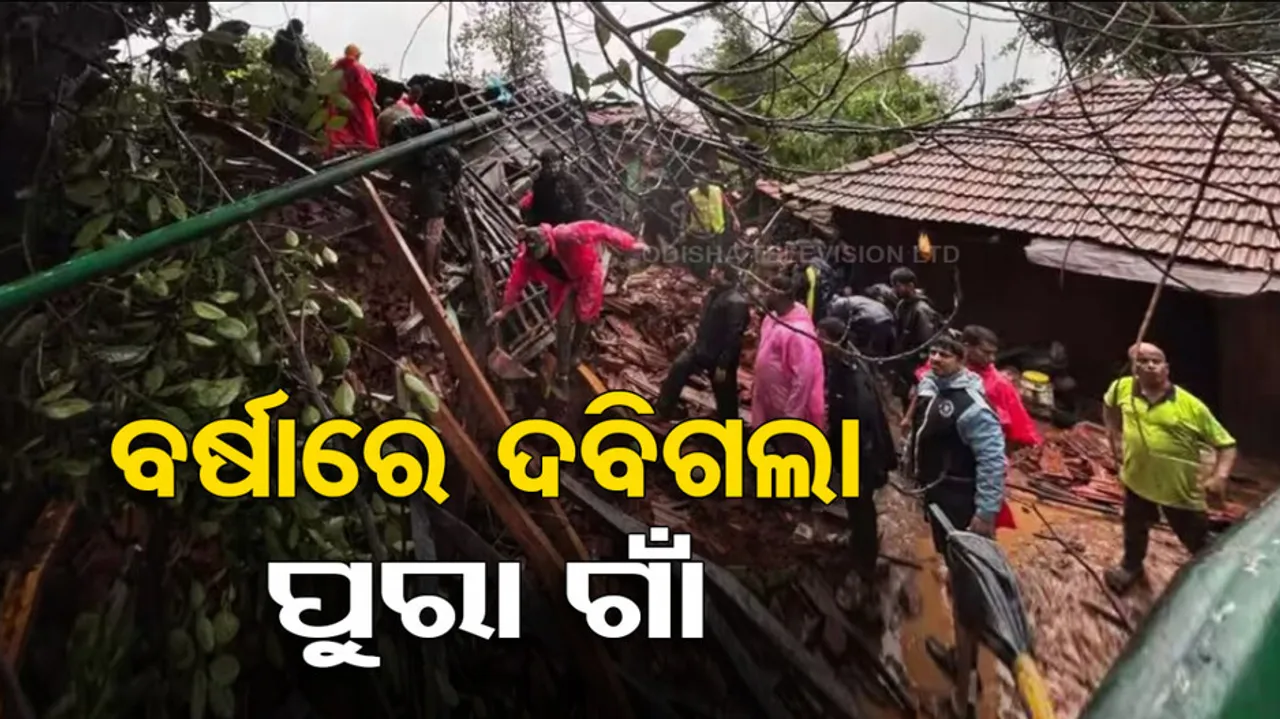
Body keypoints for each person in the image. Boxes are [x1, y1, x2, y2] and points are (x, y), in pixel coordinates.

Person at [907, 334, 1007, 719]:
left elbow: (993, 460)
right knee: (954, 578)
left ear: (962, 361)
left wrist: (984, 514)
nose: (936, 358)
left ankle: (964, 692)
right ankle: (963, 654)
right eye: (932, 351)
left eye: (945, 354)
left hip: (962, 509)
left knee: (966, 593)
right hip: (940, 501)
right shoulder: (938, 389)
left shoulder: (972, 407)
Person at [1101, 342, 1237, 594]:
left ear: (1167, 368)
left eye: (1156, 361)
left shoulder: (1191, 406)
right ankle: (1131, 567)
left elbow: (1227, 445)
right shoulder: (1122, 389)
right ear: (1133, 368)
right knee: (1134, 528)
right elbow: (1109, 405)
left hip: (1179, 492)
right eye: (1142, 361)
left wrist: (1220, 476)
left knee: (1198, 541)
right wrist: (1112, 433)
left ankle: (1221, 579)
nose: (1150, 365)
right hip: (1137, 481)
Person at [490, 222, 647, 386]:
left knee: (585, 316)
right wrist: (505, 309)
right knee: (563, 324)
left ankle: (576, 351)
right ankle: (563, 371)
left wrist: (630, 244)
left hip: (586, 275)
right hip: (562, 284)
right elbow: (516, 282)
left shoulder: (567, 235)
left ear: (548, 242)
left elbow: (600, 230)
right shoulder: (528, 259)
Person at [817, 316, 898, 613]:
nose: (817, 341)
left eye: (821, 336)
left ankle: (863, 571)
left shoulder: (849, 374)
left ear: (832, 339)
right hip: (857, 446)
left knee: (861, 504)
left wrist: (857, 459)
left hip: (860, 451)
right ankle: (857, 542)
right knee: (856, 504)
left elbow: (862, 417)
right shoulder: (849, 360)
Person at [656, 264, 750, 421]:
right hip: (700, 348)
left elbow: (734, 337)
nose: (711, 272)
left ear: (722, 273)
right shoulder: (713, 294)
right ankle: (662, 411)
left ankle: (731, 431)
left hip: (719, 357)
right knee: (677, 370)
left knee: (725, 397)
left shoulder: (736, 302)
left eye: (715, 270)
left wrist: (723, 364)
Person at [385, 115, 464, 281]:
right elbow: (456, 178)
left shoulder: (428, 151)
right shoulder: (452, 155)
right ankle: (431, 273)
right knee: (434, 238)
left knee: (434, 235)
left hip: (422, 198)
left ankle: (437, 266)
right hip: (436, 202)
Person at [751, 275, 825, 430]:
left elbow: (804, 377)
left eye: (767, 291)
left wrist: (792, 414)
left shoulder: (799, 333)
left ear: (778, 294)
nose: (762, 295)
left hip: (784, 404)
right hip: (767, 398)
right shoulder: (771, 318)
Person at [889, 266, 940, 403]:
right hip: (904, 367)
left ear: (910, 286)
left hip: (916, 370)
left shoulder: (921, 310)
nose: (894, 290)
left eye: (898, 286)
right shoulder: (902, 306)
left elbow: (927, 345)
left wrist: (917, 379)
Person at [263, 19, 312, 155]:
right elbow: (304, 69)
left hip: (278, 85)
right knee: (291, 119)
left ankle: (276, 147)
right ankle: (288, 150)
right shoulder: (298, 47)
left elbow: (266, 56)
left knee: (277, 116)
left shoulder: (278, 42)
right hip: (292, 87)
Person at [325, 44, 379, 155]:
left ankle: (338, 149)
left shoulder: (336, 67)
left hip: (341, 103)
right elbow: (364, 86)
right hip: (358, 105)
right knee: (363, 129)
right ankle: (366, 151)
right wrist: (374, 103)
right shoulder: (357, 68)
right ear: (357, 54)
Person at [683, 177, 741, 278]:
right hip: (700, 231)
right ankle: (701, 275)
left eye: (702, 185)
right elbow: (685, 211)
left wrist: (735, 219)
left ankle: (714, 274)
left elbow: (727, 206)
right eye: (698, 185)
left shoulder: (717, 191)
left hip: (717, 228)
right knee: (700, 255)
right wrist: (683, 228)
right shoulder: (692, 194)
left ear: (707, 184)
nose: (700, 188)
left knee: (716, 253)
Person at [519, 148, 587, 227]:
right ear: (543, 167)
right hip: (546, 220)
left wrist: (572, 224)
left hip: (565, 221)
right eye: (548, 168)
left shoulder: (570, 181)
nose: (552, 170)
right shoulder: (539, 181)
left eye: (555, 167)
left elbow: (579, 205)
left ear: (559, 164)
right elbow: (537, 204)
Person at [826, 291, 896, 357]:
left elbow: (836, 324)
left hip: (873, 320)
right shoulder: (854, 298)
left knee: (874, 352)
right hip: (886, 317)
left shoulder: (838, 303)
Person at [792, 240, 839, 321]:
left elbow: (813, 295)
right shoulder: (797, 267)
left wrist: (809, 319)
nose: (791, 252)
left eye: (794, 250)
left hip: (813, 313)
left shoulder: (813, 268)